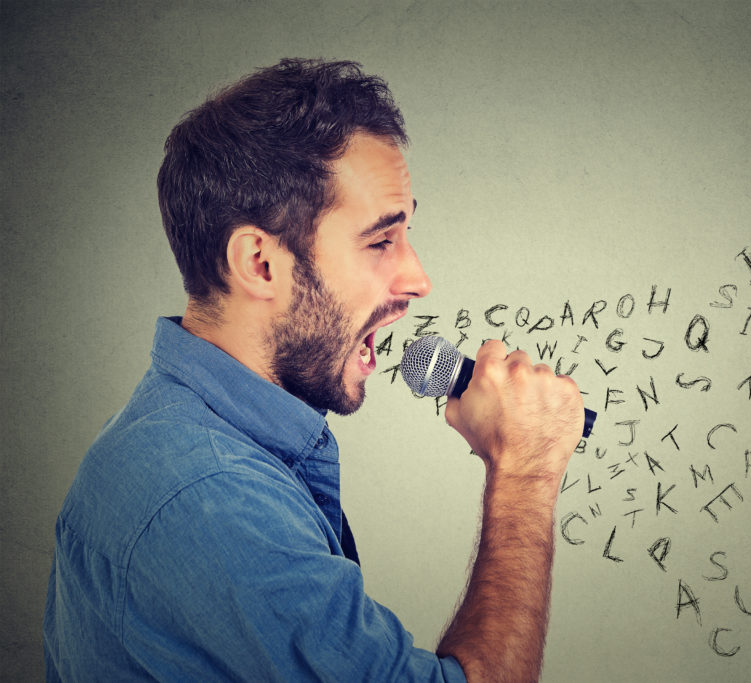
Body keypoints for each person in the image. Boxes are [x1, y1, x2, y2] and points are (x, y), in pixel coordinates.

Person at [43, 58, 584, 682]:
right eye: (381, 241)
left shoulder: (167, 438)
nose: (418, 279)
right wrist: (525, 470)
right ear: (260, 263)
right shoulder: (214, 502)